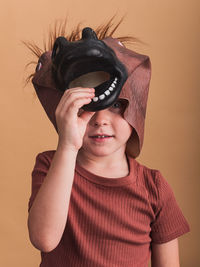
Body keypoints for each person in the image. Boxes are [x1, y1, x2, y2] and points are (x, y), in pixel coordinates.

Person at [27, 19, 190, 267]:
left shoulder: (154, 188)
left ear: (133, 108)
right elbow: (44, 239)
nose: (100, 120)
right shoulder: (51, 165)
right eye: (86, 107)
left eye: (115, 105)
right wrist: (67, 145)